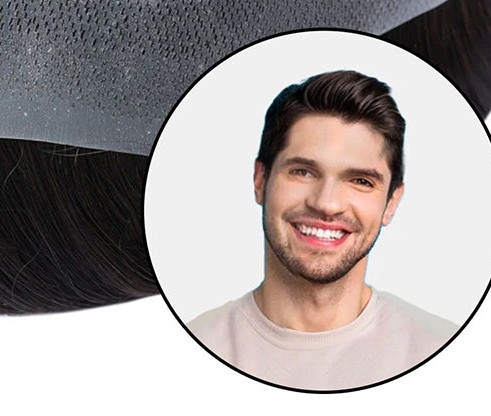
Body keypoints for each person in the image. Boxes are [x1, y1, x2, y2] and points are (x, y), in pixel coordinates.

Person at [187, 70, 458, 390]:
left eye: (361, 181)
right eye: (303, 172)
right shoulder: (191, 350)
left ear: (391, 202)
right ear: (260, 180)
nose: (327, 204)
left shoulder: (445, 355)